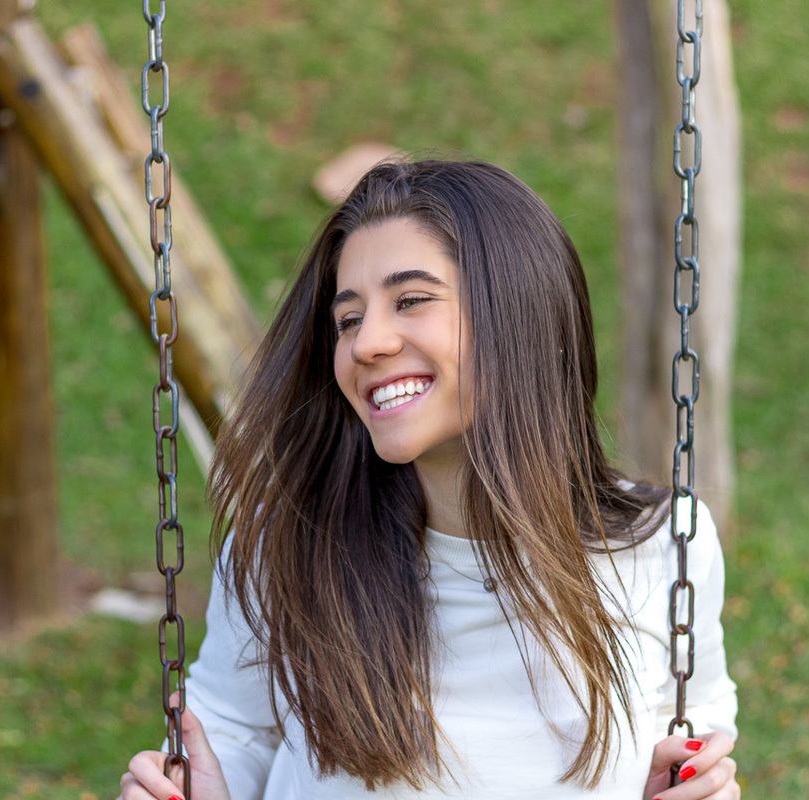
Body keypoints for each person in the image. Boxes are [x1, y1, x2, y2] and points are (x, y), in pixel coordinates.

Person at [118, 159, 739, 800]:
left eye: (410, 300)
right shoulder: (288, 543)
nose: (366, 344)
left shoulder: (666, 546)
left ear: (518, 314)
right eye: (348, 319)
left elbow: (697, 723)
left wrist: (696, 785)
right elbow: (233, 732)